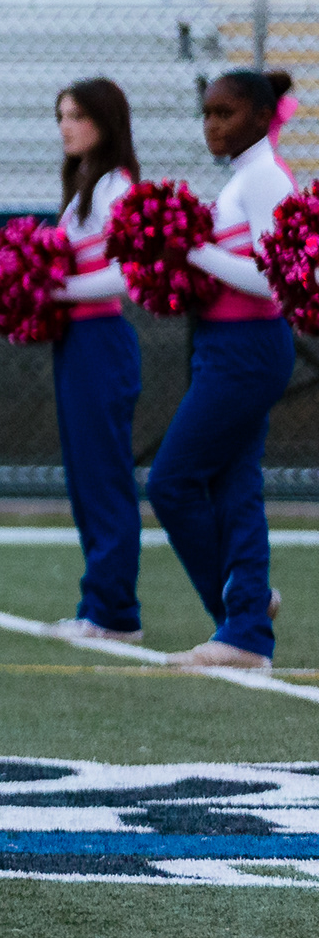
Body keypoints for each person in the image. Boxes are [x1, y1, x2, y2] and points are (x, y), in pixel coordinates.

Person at [144, 69, 293, 670]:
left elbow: (273, 277)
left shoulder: (265, 178)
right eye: (206, 113)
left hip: (248, 348)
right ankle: (246, 631)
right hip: (223, 345)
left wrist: (192, 250)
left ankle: (245, 610)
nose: (211, 125)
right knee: (235, 487)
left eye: (224, 113)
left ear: (260, 117)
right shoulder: (242, 178)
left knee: (171, 482)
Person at [42, 79, 146, 647]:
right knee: (85, 477)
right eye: (61, 115)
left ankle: (114, 612)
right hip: (77, 341)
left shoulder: (116, 186)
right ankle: (101, 604)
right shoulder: (86, 185)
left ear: (105, 122)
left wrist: (56, 290)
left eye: (77, 115)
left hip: (100, 339)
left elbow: (128, 276)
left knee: (103, 477)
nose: (66, 126)